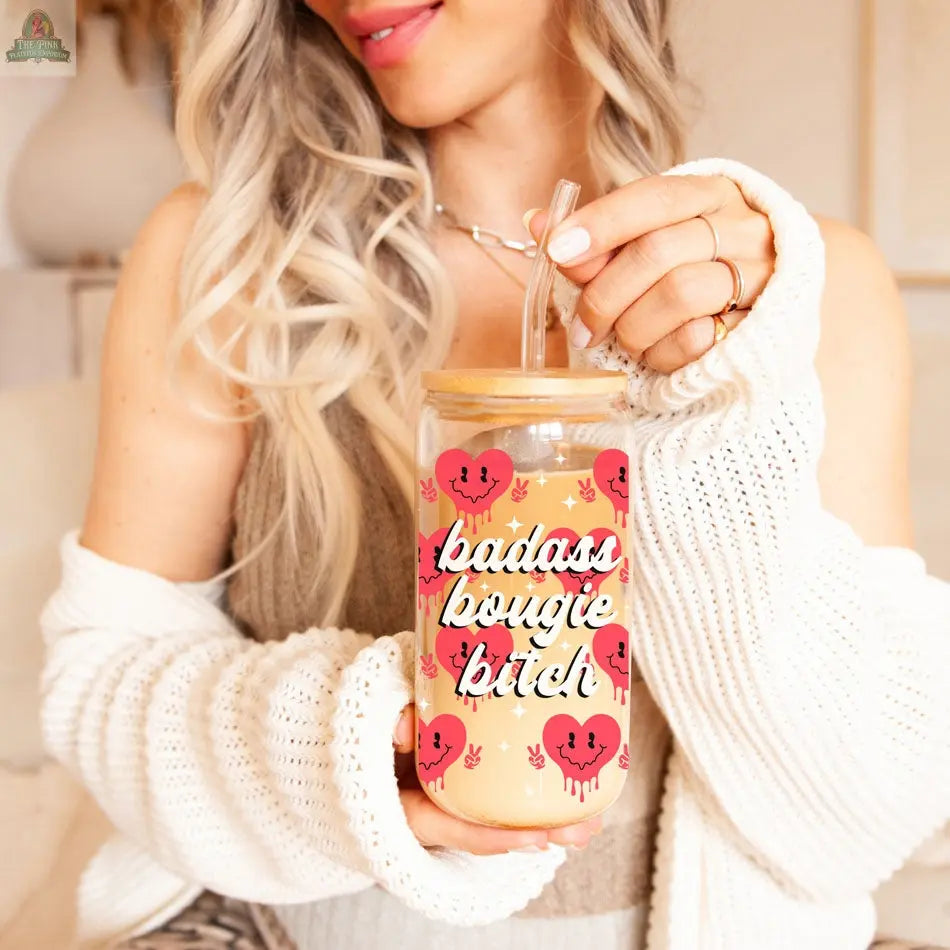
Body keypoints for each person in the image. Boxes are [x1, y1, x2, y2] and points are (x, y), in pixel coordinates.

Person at [38, 1, 950, 948]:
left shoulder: (800, 292)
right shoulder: (228, 263)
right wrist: (346, 742)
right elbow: (100, 685)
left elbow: (865, 813)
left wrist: (712, 426)